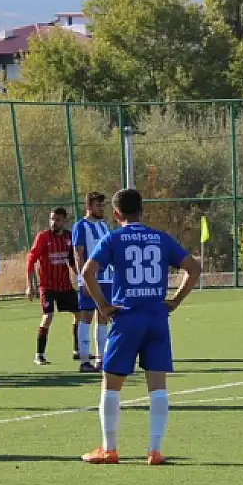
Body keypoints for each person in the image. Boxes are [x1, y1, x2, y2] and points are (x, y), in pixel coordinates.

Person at [80, 189, 200, 466]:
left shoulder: (113, 238)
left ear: (116, 214)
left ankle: (109, 448)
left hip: (127, 317)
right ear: (142, 210)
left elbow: (87, 272)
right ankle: (154, 450)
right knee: (157, 386)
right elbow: (193, 268)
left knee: (111, 386)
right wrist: (175, 301)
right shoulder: (160, 238)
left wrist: (104, 306)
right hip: (156, 317)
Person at [26, 207, 79, 365]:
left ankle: (77, 350)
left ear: (64, 221)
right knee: (48, 316)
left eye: (57, 220)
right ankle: (39, 355)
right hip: (47, 286)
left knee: (79, 315)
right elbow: (31, 260)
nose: (54, 222)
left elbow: (71, 260)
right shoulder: (43, 237)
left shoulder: (69, 237)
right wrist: (30, 285)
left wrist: (81, 278)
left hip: (64, 285)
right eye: (52, 219)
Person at [72, 192, 112, 372]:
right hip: (90, 279)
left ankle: (101, 359)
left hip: (107, 279)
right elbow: (78, 255)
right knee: (86, 316)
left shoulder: (104, 226)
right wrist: (83, 280)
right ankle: (84, 360)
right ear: (89, 207)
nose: (102, 208)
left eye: (103, 205)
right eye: (98, 205)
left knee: (103, 316)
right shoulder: (80, 226)